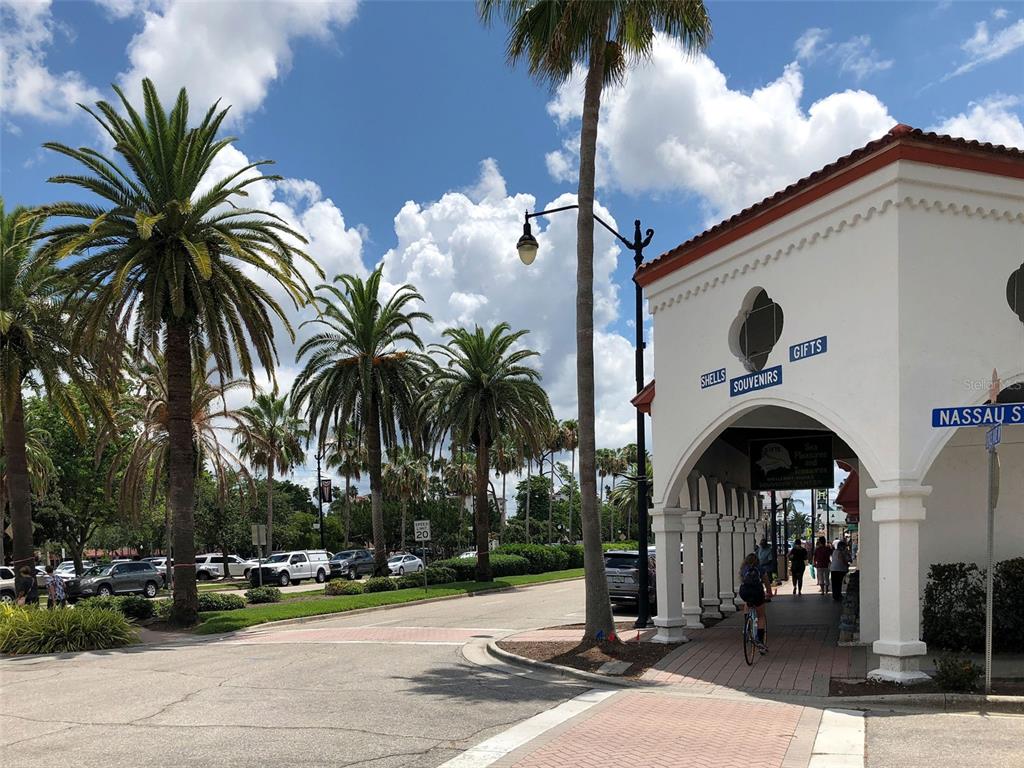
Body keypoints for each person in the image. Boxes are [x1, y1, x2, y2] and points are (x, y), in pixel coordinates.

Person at [738, 553, 768, 653]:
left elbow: (742, 581)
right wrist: (769, 592)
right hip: (757, 592)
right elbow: (766, 582)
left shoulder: (743, 569)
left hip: (745, 592)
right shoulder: (760, 568)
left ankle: (746, 626)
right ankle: (759, 640)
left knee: (748, 602)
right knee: (761, 616)